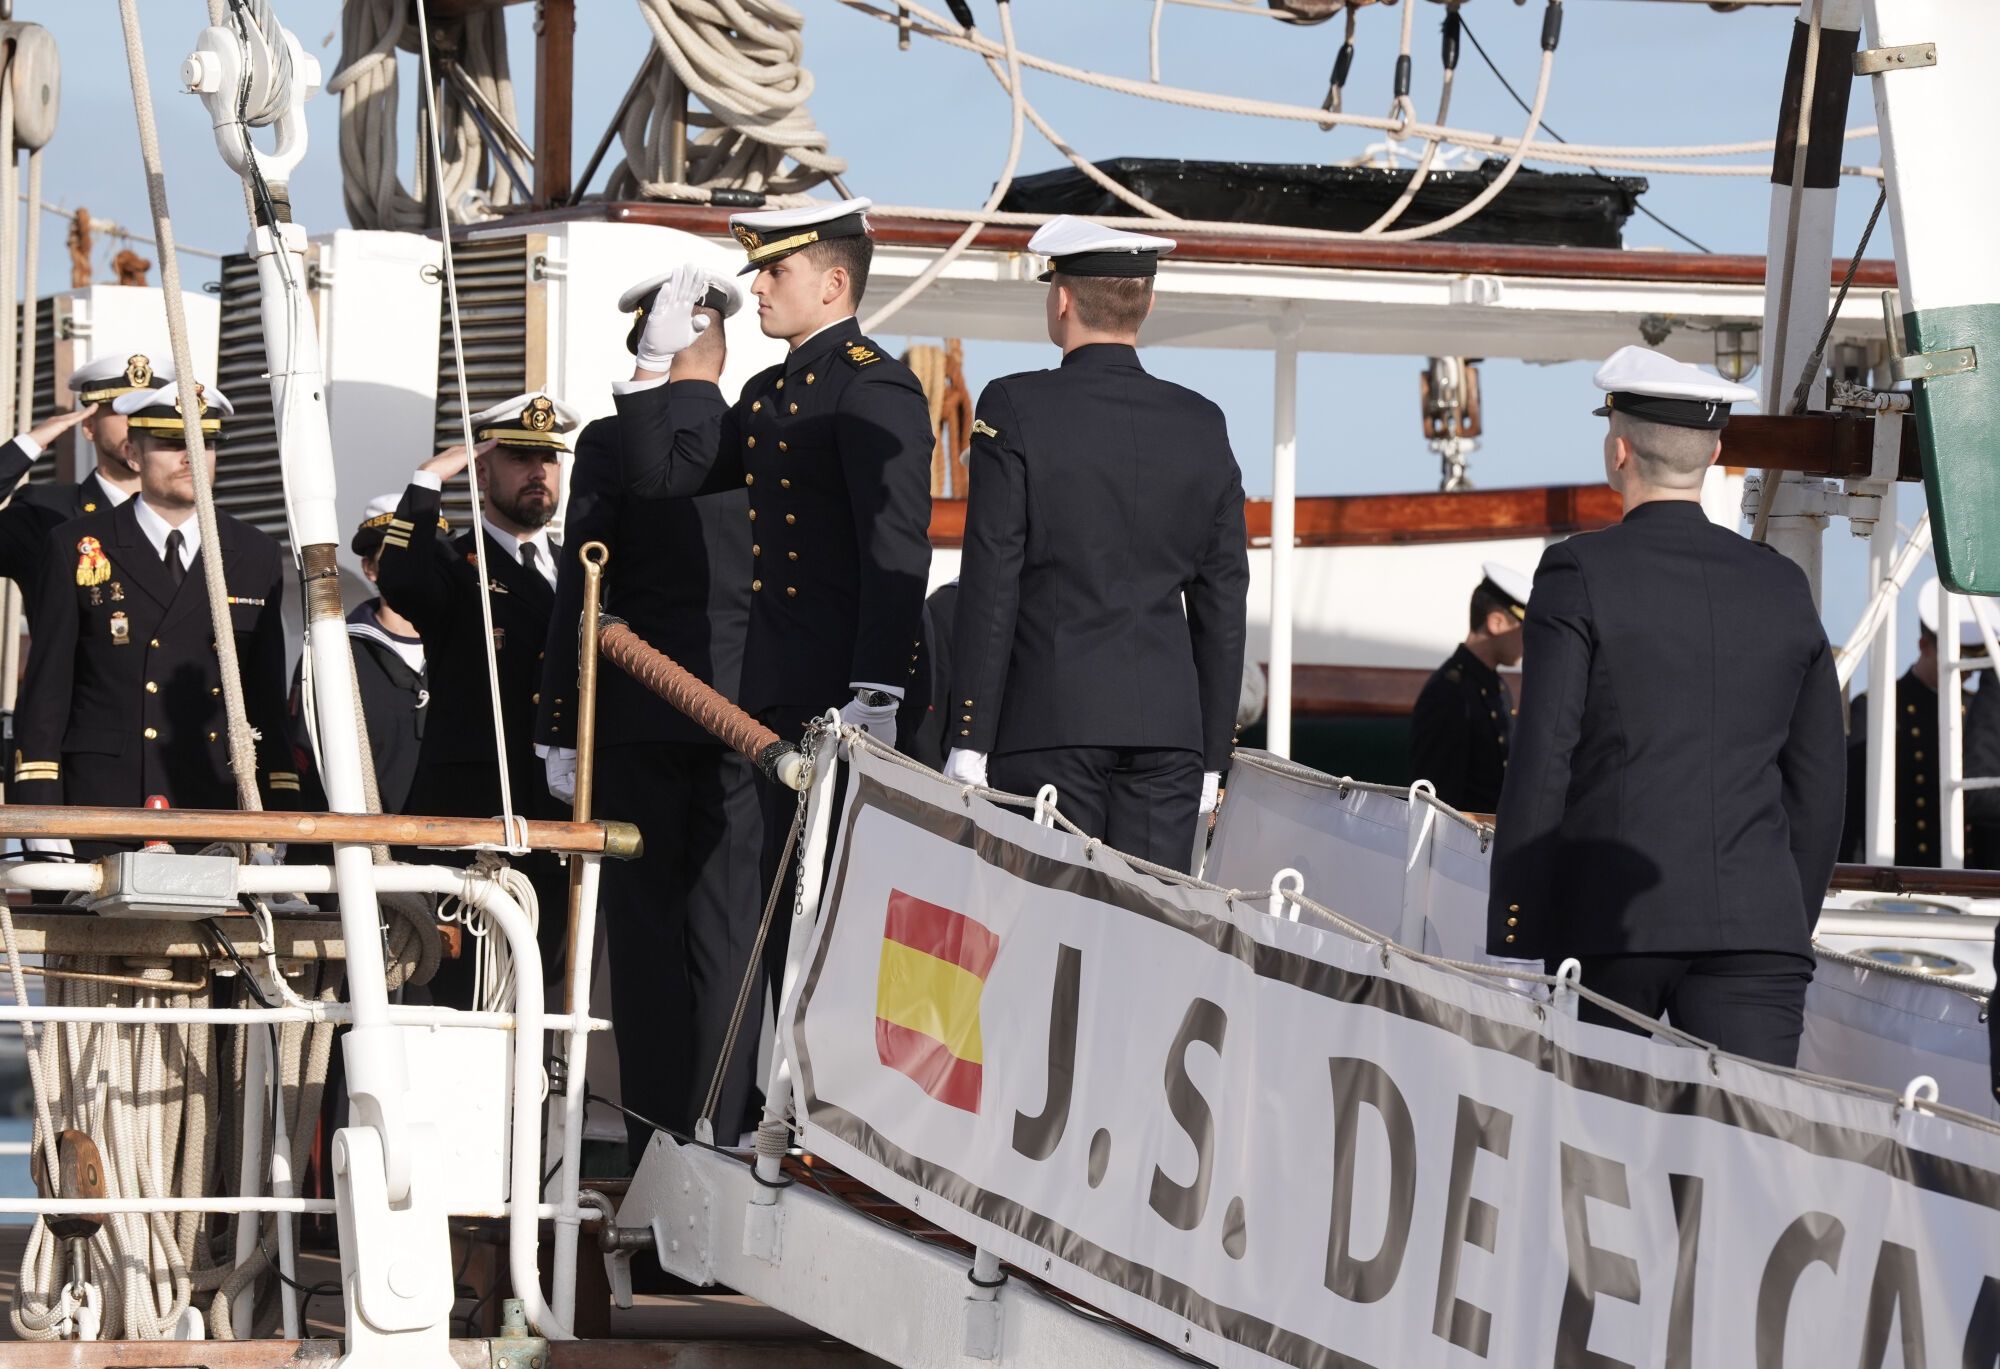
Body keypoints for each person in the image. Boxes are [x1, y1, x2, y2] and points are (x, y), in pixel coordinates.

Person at [1487, 346, 1844, 1068]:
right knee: (1749, 1160)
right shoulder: (1782, 585)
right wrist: (1779, 918)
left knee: (1598, 1159)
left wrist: (1519, 926)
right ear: (1713, 451)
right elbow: (1819, 783)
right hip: (1757, 930)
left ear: (1618, 449)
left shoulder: (1578, 571)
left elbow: (1543, 756)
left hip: (1613, 928)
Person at [611, 198, 933, 996]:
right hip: (778, 692)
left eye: (774, 270)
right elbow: (663, 476)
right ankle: (773, 1110)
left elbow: (895, 547)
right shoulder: (765, 394)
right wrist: (654, 366)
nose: (756, 286)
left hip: (852, 695)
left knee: (848, 907)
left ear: (832, 284)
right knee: (784, 901)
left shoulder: (873, 388)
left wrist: (878, 690)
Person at [941, 217, 1250, 871]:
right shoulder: (1203, 423)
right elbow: (1223, 602)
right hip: (1170, 741)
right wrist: (1212, 759)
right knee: (1144, 941)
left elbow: (992, 581)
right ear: (1148, 302)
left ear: (1061, 299)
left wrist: (968, 737)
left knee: (1041, 938)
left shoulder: (1014, 406)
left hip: (1050, 725)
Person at [537, 269, 765, 1152]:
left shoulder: (608, 444)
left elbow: (582, 588)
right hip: (744, 722)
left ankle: (658, 1147)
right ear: (721, 346)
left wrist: (560, 718)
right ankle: (727, 1142)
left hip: (635, 718)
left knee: (644, 946)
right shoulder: (759, 439)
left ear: (648, 341)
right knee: (729, 940)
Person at [11, 381, 299, 853]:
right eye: (171, 443)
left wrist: (281, 815)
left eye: (205, 443)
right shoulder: (77, 544)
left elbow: (265, 698)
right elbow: (47, 694)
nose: (191, 457)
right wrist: (43, 822)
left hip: (213, 801)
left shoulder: (253, 552)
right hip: (103, 806)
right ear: (132, 453)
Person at [374, 393, 575, 997]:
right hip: (474, 805)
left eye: (548, 458)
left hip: (556, 810)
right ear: (483, 470)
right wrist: (428, 480)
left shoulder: (578, 569)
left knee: (546, 985)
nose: (538, 472)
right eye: (518, 457)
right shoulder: (453, 564)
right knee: (461, 989)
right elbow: (401, 579)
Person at [0, 353, 172, 625]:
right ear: (89, 426)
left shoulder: (198, 523)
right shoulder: (44, 513)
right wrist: (30, 444)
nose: (137, 425)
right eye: (123, 411)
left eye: (148, 414)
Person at [289, 494, 433, 814]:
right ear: (370, 568)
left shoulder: (471, 655)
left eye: (429, 551)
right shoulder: (333, 654)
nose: (418, 565)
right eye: (399, 553)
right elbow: (306, 763)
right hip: (365, 852)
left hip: (457, 850)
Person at [1841, 578, 2000, 867]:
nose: (1967, 671)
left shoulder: (1975, 709)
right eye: (1960, 655)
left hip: (1969, 873)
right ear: (1924, 645)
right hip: (1905, 869)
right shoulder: (1878, 706)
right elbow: (1853, 807)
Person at [1409, 562, 1531, 813]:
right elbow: (1436, 800)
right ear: (1497, 623)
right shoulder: (1448, 693)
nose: (1528, 639)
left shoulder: (1496, 686)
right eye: (1525, 628)